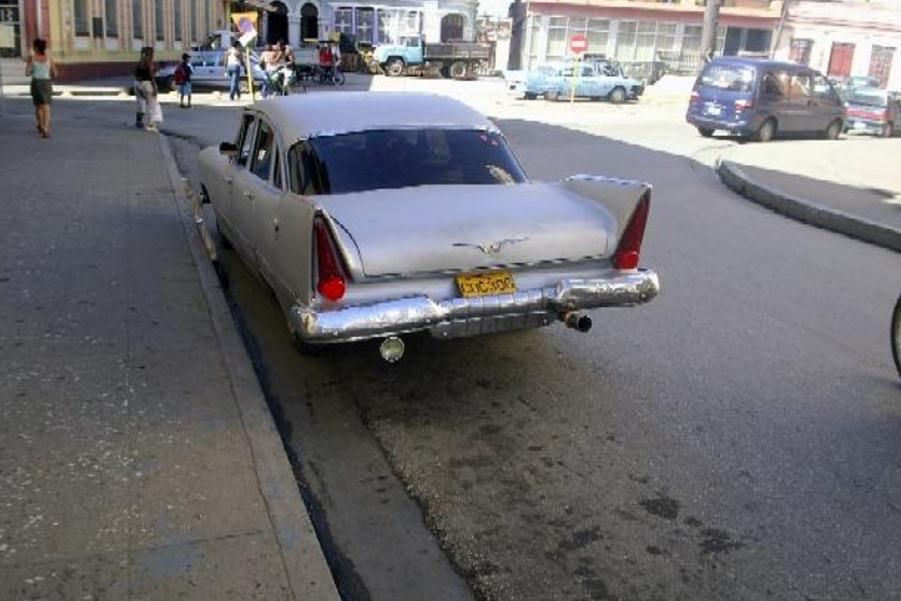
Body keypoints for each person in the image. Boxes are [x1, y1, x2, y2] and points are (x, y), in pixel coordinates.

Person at [25, 38, 57, 138]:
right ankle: (46, 129)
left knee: (39, 106)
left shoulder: (32, 58)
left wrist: (33, 71)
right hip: (46, 83)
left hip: (36, 83)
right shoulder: (49, 58)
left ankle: (41, 125)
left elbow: (27, 73)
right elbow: (55, 73)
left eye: (34, 47)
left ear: (36, 48)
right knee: (46, 106)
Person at [134, 46, 162, 132]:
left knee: (142, 104)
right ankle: (150, 125)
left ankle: (139, 122)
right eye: (152, 53)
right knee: (152, 105)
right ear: (150, 54)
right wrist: (155, 87)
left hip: (139, 84)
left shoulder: (139, 62)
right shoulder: (149, 62)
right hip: (148, 85)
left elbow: (135, 73)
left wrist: (139, 83)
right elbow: (151, 76)